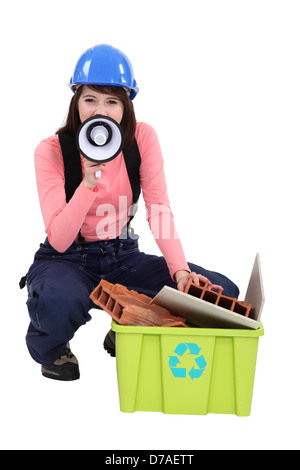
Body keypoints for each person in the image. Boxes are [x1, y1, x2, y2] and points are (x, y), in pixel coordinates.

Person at [24, 44, 239, 381]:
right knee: (57, 303)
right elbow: (61, 238)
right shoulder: (51, 151)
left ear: (126, 105)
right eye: (90, 99)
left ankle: (127, 322)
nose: (101, 112)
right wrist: (88, 183)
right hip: (65, 259)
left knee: (218, 296)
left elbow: (159, 208)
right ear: (76, 102)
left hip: (122, 255)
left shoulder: (142, 138)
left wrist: (181, 272)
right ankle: (52, 347)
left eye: (112, 101)